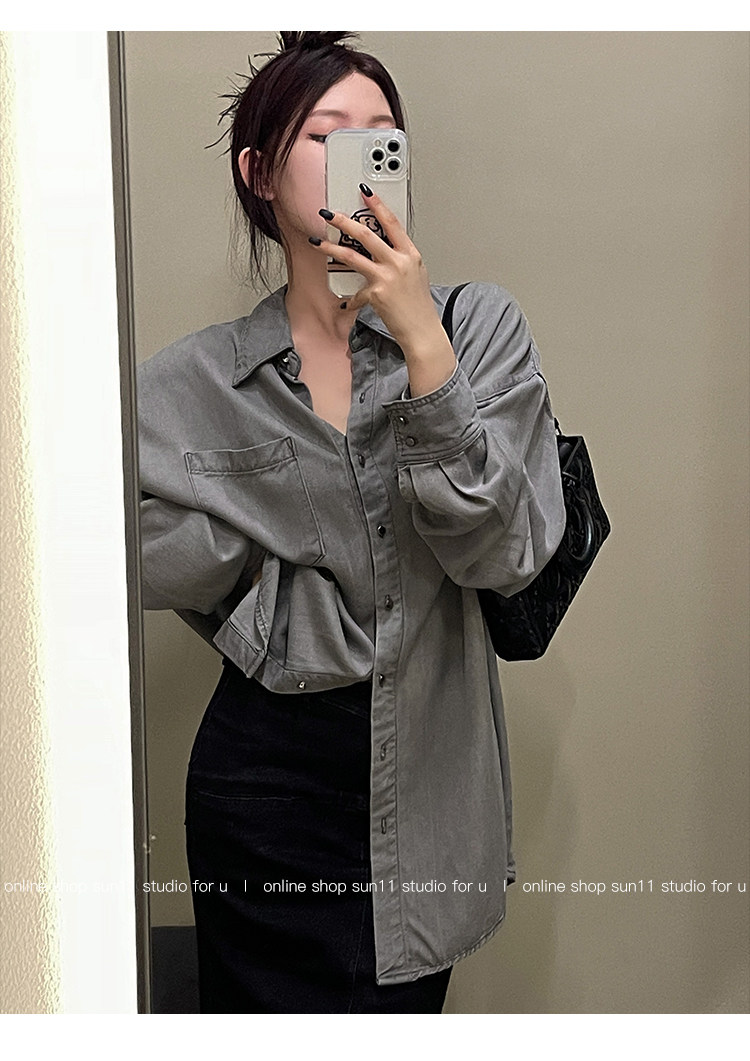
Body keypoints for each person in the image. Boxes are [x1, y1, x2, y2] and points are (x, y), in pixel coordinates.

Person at [137, 31, 566, 1014]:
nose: (359, 157)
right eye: (326, 134)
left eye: (381, 135)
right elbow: (111, 549)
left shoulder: (479, 330)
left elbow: (503, 551)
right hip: (260, 784)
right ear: (257, 173)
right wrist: (258, 572)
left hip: (428, 773)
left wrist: (421, 342)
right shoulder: (196, 379)